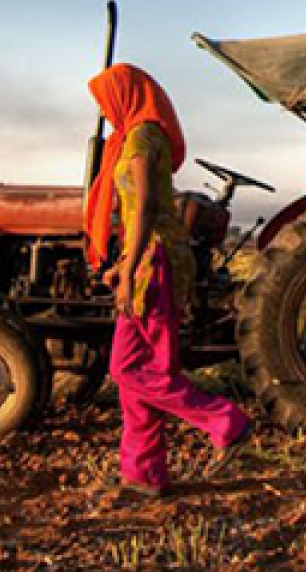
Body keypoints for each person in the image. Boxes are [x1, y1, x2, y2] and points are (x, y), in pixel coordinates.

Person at [84, 64, 251, 498]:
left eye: (106, 101)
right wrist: (124, 261)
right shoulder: (142, 134)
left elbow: (141, 210)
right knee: (142, 372)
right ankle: (144, 471)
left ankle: (223, 419)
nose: (105, 111)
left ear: (125, 95)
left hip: (153, 264)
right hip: (146, 258)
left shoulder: (141, 137)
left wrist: (128, 272)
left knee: (126, 368)